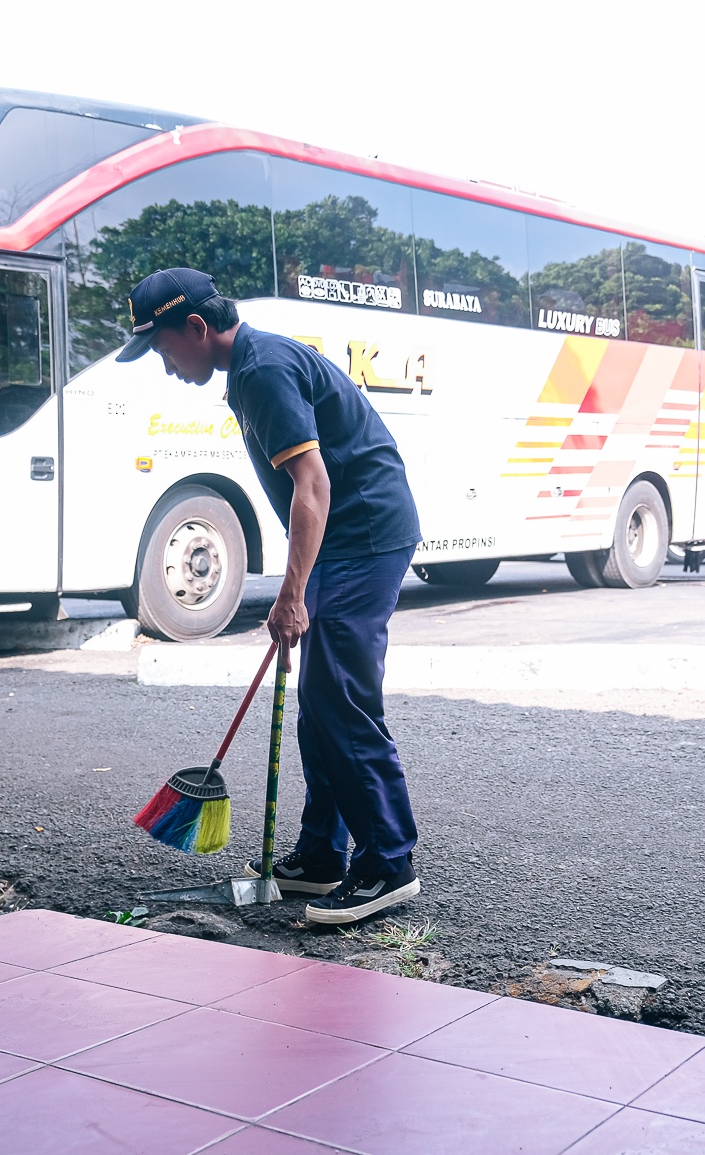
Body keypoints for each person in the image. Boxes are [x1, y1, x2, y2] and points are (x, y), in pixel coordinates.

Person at [118, 268, 424, 926]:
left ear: (196, 328)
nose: (167, 367)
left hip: (365, 532)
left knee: (338, 697)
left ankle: (389, 860)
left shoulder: (260, 369)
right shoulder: (252, 367)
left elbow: (311, 485)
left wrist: (291, 595)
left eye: (165, 349)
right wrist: (298, 586)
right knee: (319, 703)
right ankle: (322, 854)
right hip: (345, 537)